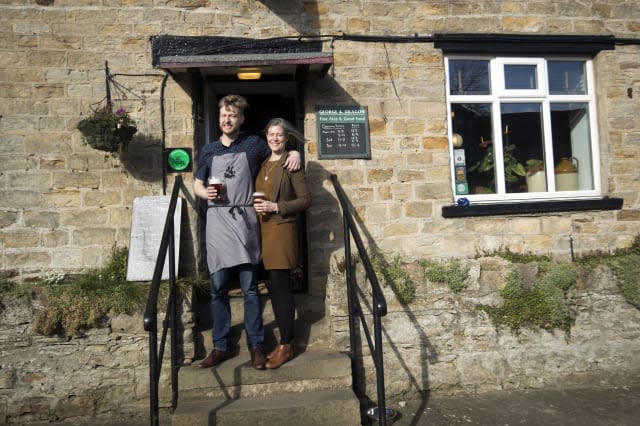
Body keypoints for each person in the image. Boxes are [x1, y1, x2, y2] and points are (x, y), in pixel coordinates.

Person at [193, 95, 300, 370]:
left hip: (244, 220)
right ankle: (220, 346)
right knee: (217, 288)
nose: (226, 120)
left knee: (250, 288)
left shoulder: (253, 145)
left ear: (241, 119)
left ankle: (256, 345)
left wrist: (295, 152)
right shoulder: (208, 151)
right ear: (219, 119)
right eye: (222, 116)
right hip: (217, 221)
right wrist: (207, 194)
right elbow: (196, 184)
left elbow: (279, 151)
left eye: (232, 115)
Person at [253, 118, 311, 369]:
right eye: (271, 134)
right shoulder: (264, 162)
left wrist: (276, 206)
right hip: (262, 233)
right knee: (273, 287)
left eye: (280, 135)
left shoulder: (291, 163)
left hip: (282, 231)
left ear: (287, 138)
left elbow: (305, 200)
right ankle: (286, 342)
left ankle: (286, 344)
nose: (275, 138)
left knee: (281, 289)